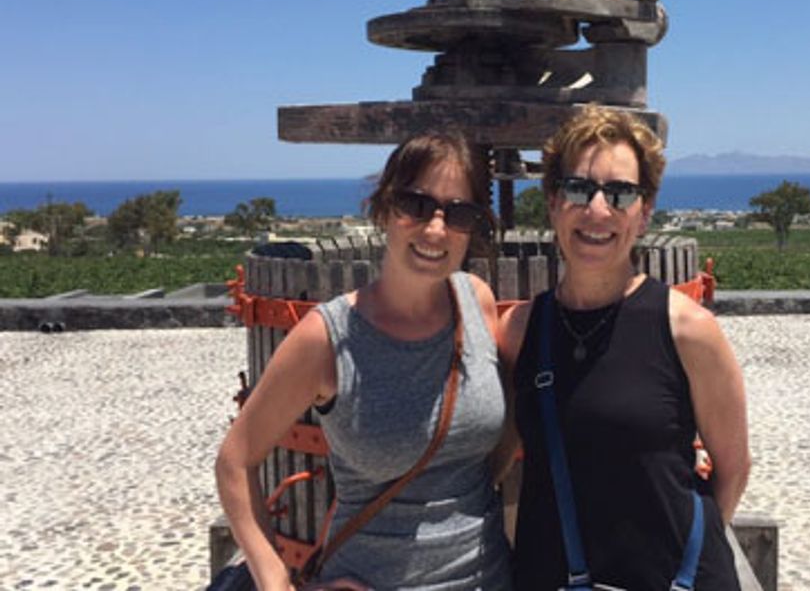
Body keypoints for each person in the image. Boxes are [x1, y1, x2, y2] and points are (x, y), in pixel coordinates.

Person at [216, 130, 513, 591]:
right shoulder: (327, 338)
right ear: (384, 208)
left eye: (458, 213)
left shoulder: (478, 304)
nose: (435, 229)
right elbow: (235, 460)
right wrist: (274, 579)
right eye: (415, 205)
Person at [498, 105, 751, 590]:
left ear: (644, 211)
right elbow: (489, 457)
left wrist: (688, 564)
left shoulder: (687, 331)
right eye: (578, 188)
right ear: (552, 202)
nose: (598, 210)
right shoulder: (521, 331)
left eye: (620, 193)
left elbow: (734, 467)